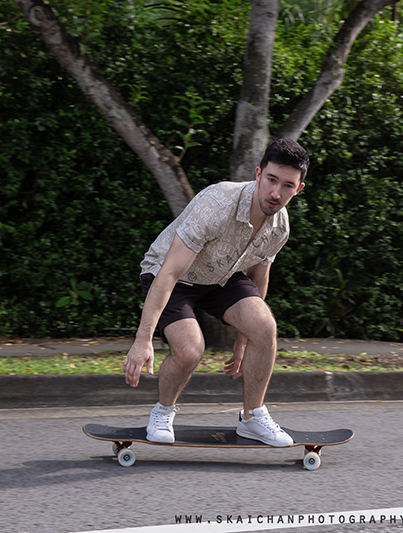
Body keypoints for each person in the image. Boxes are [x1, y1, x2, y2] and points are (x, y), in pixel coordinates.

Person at [123, 138, 309, 447]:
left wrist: (243, 339)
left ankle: (252, 418)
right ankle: (162, 411)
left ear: (298, 189)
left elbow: (258, 277)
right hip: (172, 275)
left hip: (221, 276)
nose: (276, 193)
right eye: (272, 180)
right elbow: (169, 271)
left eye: (287, 186)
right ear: (259, 173)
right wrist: (142, 340)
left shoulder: (280, 227)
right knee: (190, 349)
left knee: (265, 327)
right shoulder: (217, 203)